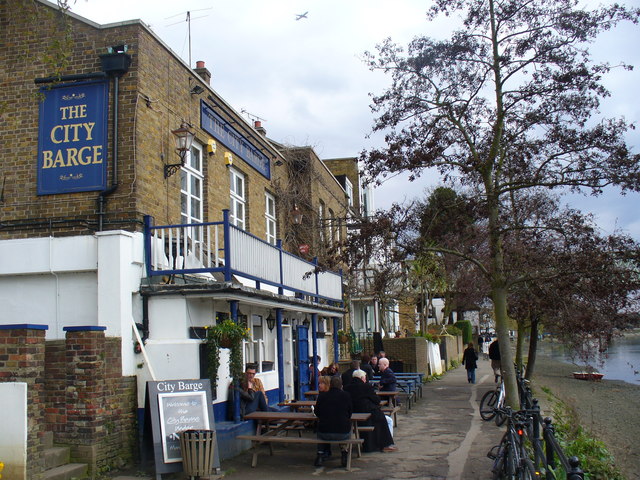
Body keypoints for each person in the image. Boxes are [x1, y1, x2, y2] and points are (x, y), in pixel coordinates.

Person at [345, 369, 397, 452]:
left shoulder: (347, 387)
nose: (365, 379)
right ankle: (385, 444)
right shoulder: (366, 386)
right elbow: (376, 400)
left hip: (353, 413)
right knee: (385, 420)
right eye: (365, 378)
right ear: (362, 378)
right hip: (368, 412)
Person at [314, 376, 353, 468]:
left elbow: (316, 412)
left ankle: (320, 455)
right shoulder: (346, 395)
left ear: (330, 385)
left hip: (324, 432)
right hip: (342, 433)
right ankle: (344, 454)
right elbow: (350, 413)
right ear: (341, 386)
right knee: (344, 428)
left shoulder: (322, 396)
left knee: (321, 430)